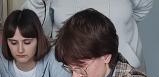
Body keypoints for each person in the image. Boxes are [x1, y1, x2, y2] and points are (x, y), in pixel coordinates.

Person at [21, 0, 152, 70]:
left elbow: (142, 8)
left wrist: (118, 29)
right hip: (69, 75)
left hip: (125, 70)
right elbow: (35, 27)